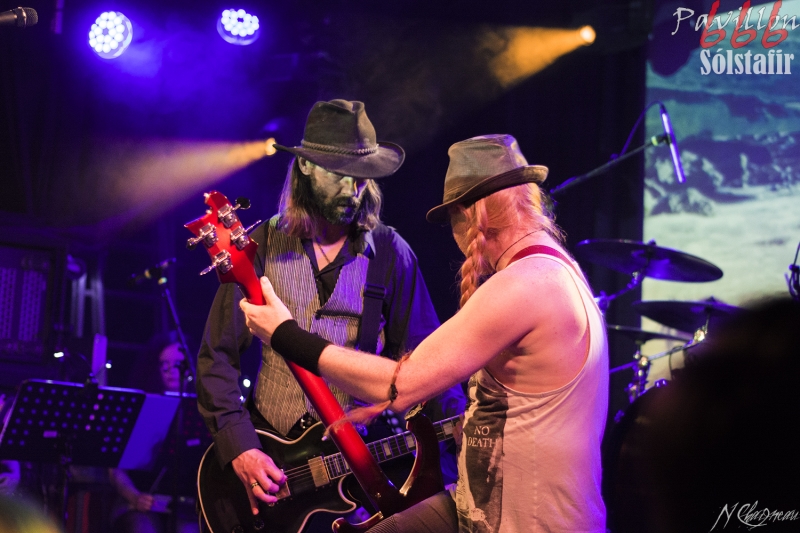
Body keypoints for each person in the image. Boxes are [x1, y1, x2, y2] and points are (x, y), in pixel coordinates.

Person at [240, 134, 609, 532]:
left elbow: (398, 385)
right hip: (483, 509)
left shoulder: (527, 283)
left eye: (451, 220)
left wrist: (284, 334)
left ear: (468, 215)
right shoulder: (552, 271)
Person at [195, 99, 465, 524]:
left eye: (361, 177)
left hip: (352, 472)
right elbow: (217, 358)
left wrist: (458, 434)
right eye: (339, 174)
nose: (351, 189)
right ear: (305, 166)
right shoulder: (259, 246)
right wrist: (241, 447)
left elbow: (427, 364)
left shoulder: (392, 254)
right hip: (270, 454)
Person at [109, 333, 198, 533]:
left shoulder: (200, 410)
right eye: (164, 365)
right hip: (139, 503)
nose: (171, 371)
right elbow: (115, 469)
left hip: (185, 508)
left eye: (178, 365)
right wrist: (134, 496)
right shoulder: (141, 408)